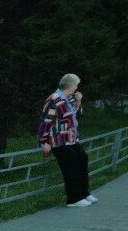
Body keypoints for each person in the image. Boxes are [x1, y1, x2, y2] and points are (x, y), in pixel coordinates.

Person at [38, 73, 96, 207]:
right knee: (71, 164)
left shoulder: (68, 98)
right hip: (58, 140)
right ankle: (74, 199)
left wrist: (78, 101)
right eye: (76, 85)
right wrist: (44, 142)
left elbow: (76, 115)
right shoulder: (54, 99)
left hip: (70, 138)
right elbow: (46, 121)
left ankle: (84, 193)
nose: (77, 88)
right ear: (70, 85)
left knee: (82, 157)